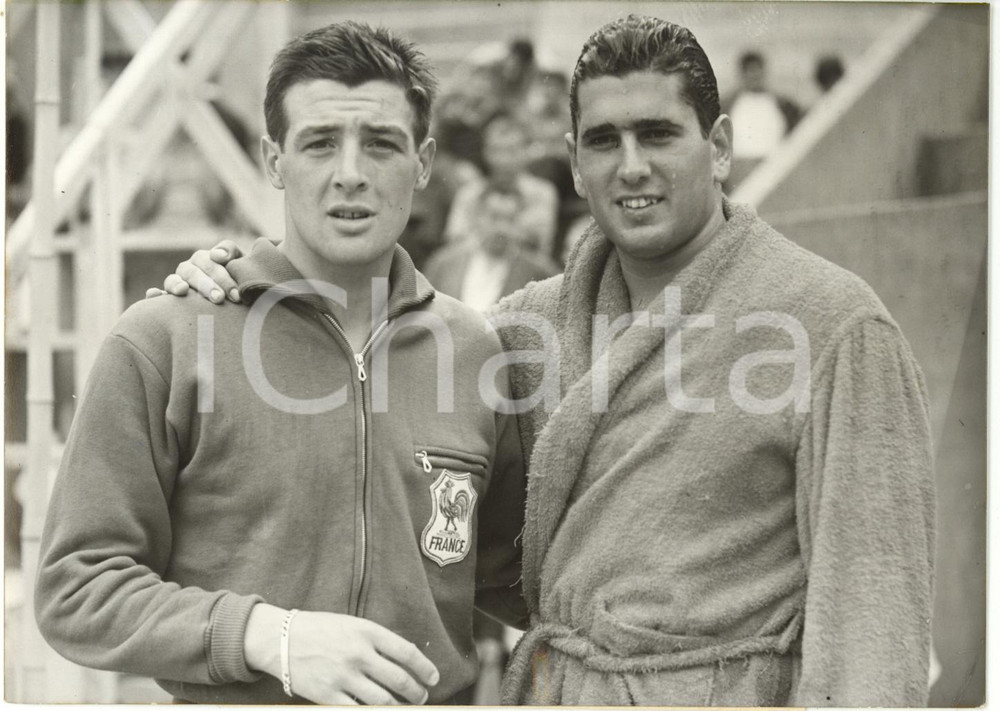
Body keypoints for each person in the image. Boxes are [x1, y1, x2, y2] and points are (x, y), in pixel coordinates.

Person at [157, 14, 936, 707]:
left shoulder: (833, 323)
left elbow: (874, 615)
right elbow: (372, 379)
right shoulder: (519, 329)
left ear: (721, 146)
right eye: (603, 141)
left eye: (658, 134)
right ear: (571, 161)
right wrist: (240, 279)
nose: (630, 165)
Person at [34, 21, 527, 705]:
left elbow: (514, 571)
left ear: (423, 161)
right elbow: (78, 586)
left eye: (381, 144)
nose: (350, 173)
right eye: (320, 142)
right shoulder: (167, 338)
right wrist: (269, 635)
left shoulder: (473, 348)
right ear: (273, 160)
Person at [422, 180, 558, 312]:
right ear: (478, 217)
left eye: (510, 220)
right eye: (494, 217)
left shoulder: (538, 271)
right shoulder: (444, 263)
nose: (502, 228)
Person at [444, 112, 559, 258]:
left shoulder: (542, 192)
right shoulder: (469, 193)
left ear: (526, 151)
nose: (504, 160)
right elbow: (454, 240)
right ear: (485, 152)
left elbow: (538, 243)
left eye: (512, 150)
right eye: (497, 151)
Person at [722, 50, 802, 162]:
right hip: (738, 168)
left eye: (757, 70)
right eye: (749, 70)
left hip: (773, 166)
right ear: (742, 73)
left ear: (763, 71)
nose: (754, 75)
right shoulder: (726, 105)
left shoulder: (783, 104)